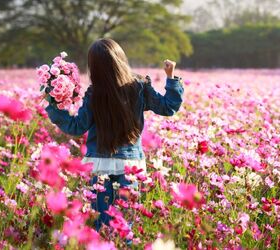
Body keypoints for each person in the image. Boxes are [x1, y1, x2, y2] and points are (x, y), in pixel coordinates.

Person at [44, 38, 184, 232]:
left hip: (99, 165)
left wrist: (53, 102)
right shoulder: (139, 88)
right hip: (131, 166)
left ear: (94, 67)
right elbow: (168, 107)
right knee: (123, 223)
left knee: (101, 221)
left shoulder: (95, 94)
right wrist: (171, 77)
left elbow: (76, 127)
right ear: (121, 60)